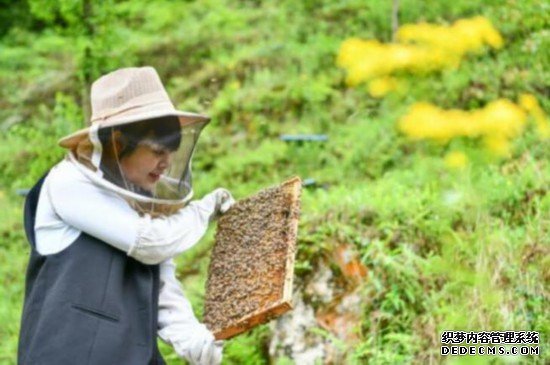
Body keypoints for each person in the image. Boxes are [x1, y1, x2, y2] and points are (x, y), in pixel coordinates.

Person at [18, 66, 234, 365]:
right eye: (158, 150)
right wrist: (203, 211)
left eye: (171, 152)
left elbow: (160, 280)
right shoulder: (67, 183)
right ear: (118, 142)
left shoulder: (140, 197)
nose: (166, 163)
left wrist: (192, 338)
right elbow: (150, 243)